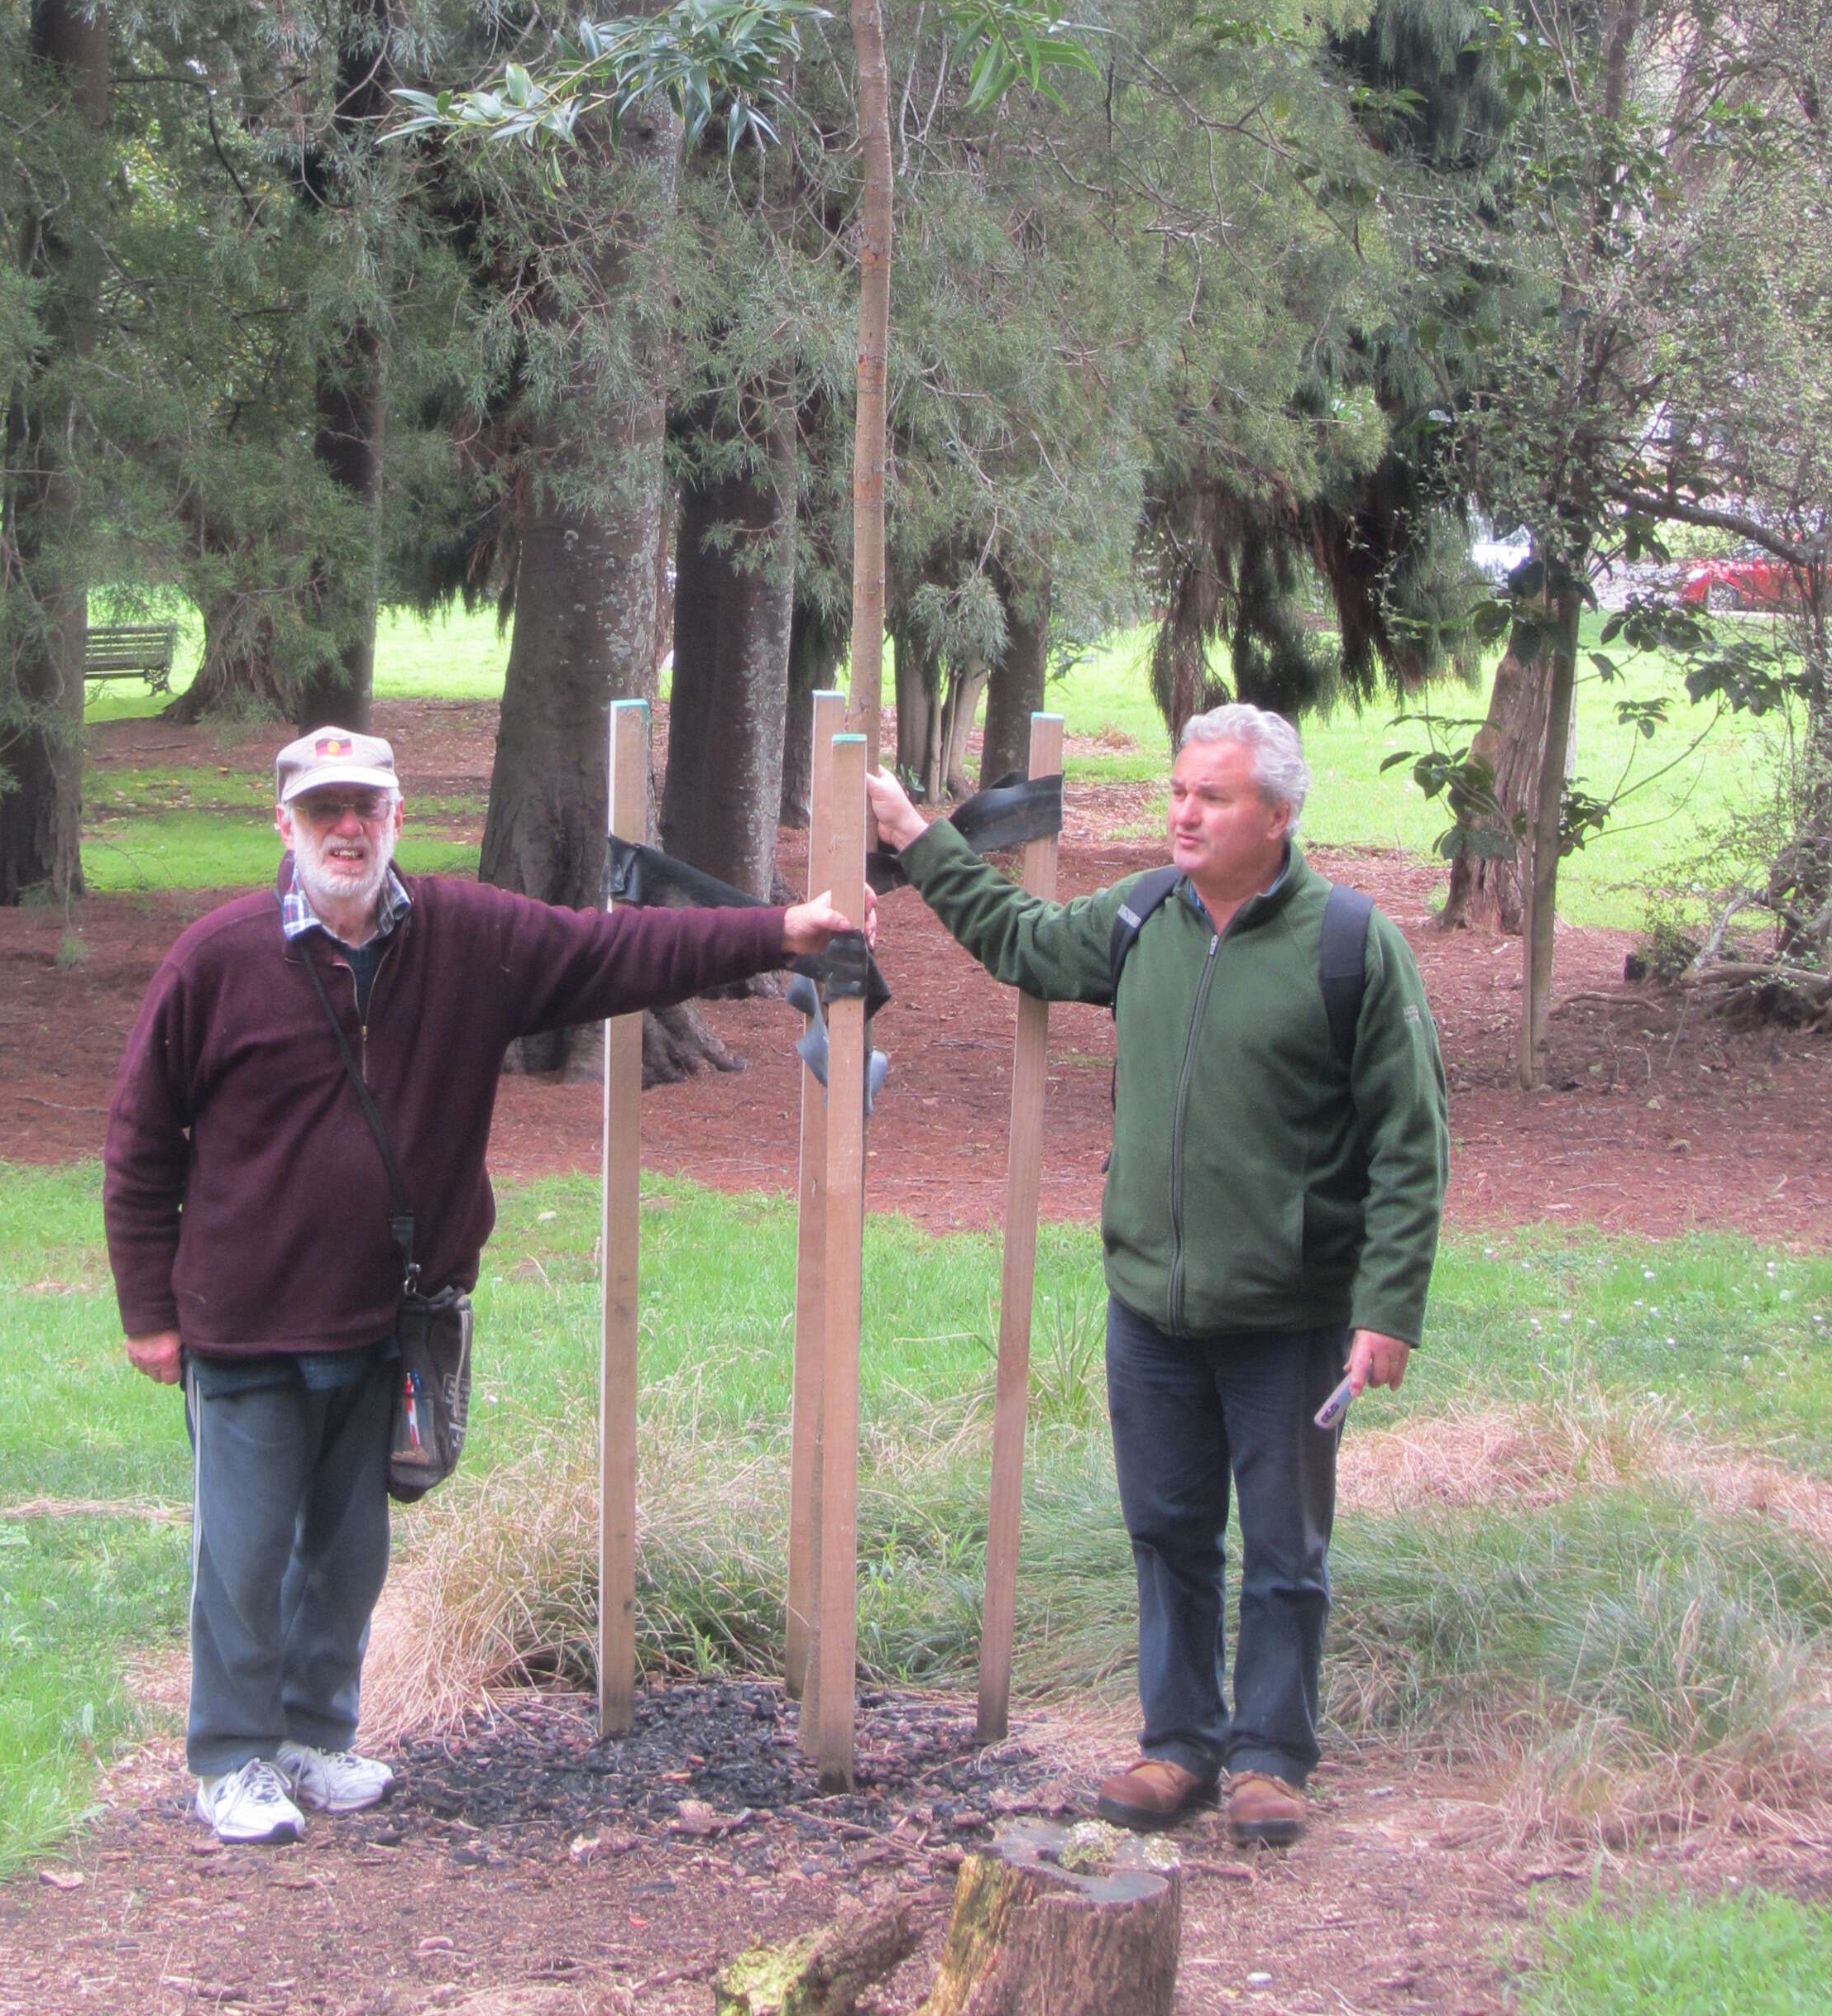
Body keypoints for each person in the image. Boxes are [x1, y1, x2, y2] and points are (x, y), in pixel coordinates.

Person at [107, 722, 867, 1846]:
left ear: (397, 818)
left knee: (349, 1551)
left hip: (386, 1321)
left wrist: (780, 931)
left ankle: (317, 1737)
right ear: (286, 826)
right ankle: (230, 1758)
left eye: (366, 807)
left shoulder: (464, 937)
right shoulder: (215, 961)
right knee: (245, 1552)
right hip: (247, 1323)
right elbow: (139, 1144)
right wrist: (148, 1312)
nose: (348, 830)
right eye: (324, 811)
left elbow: (615, 954)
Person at [867, 701, 1447, 1848]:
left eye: (1214, 796)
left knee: (1285, 1552)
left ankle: (1273, 1760)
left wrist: (1386, 1312)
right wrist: (917, 836)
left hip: (1290, 1320)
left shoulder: (1349, 946)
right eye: (1180, 791)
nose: (1184, 813)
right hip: (1152, 1313)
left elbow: (1410, 1141)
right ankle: (1178, 1745)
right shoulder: (1141, 918)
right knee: (1168, 1532)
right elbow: (1020, 939)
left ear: (1277, 816)